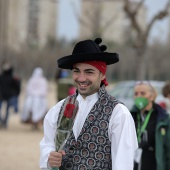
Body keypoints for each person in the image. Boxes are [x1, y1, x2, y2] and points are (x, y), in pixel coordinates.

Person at [39, 38, 138, 170]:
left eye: (89, 72)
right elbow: (47, 144)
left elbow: (124, 163)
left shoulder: (118, 113)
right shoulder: (59, 108)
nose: (81, 78)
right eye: (76, 71)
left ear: (102, 75)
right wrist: (49, 158)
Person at [130, 81, 170, 170]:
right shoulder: (130, 116)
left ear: (152, 96)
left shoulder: (163, 118)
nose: (139, 96)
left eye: (143, 93)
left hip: (153, 164)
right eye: (136, 93)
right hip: (134, 164)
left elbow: (167, 150)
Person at [0, 63, 21, 129]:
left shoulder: (13, 78)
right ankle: (2, 121)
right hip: (2, 95)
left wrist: (16, 94)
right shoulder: (2, 77)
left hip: (9, 96)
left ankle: (5, 122)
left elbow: (17, 87)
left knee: (7, 110)